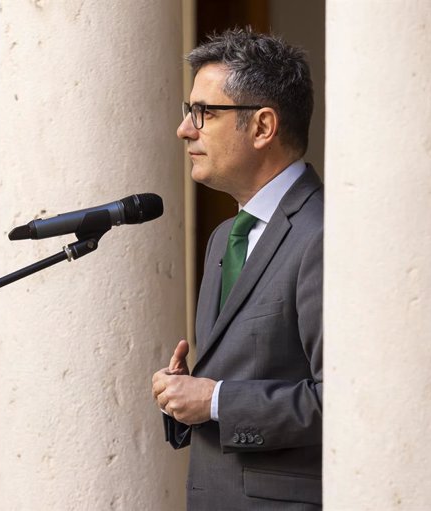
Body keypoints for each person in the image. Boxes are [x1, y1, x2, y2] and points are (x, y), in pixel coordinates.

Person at [152, 27, 323, 510]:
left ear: (263, 127)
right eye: (190, 113)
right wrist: (182, 397)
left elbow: (346, 402)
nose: (185, 129)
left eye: (203, 113)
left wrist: (215, 400)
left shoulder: (324, 236)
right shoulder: (224, 238)